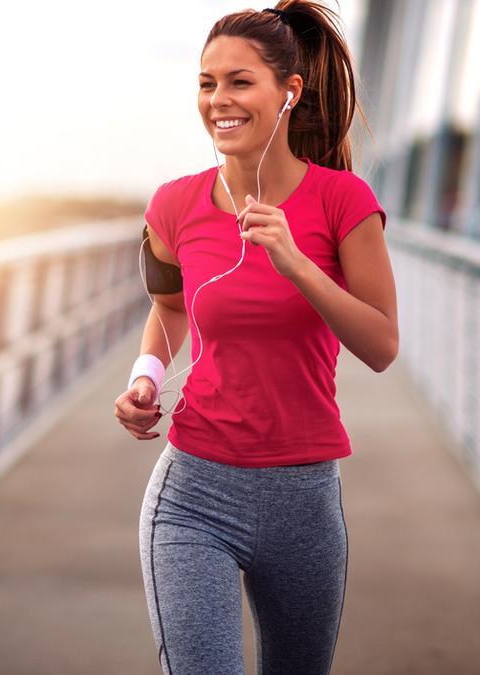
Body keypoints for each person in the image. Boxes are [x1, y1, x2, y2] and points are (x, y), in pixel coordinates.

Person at [113, 2, 399, 673]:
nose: (219, 100)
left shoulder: (343, 202)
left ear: (288, 93)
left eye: (240, 82)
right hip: (194, 494)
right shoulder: (175, 204)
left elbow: (383, 345)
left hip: (303, 502)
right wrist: (145, 377)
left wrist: (297, 264)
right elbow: (171, 307)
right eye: (207, 83)